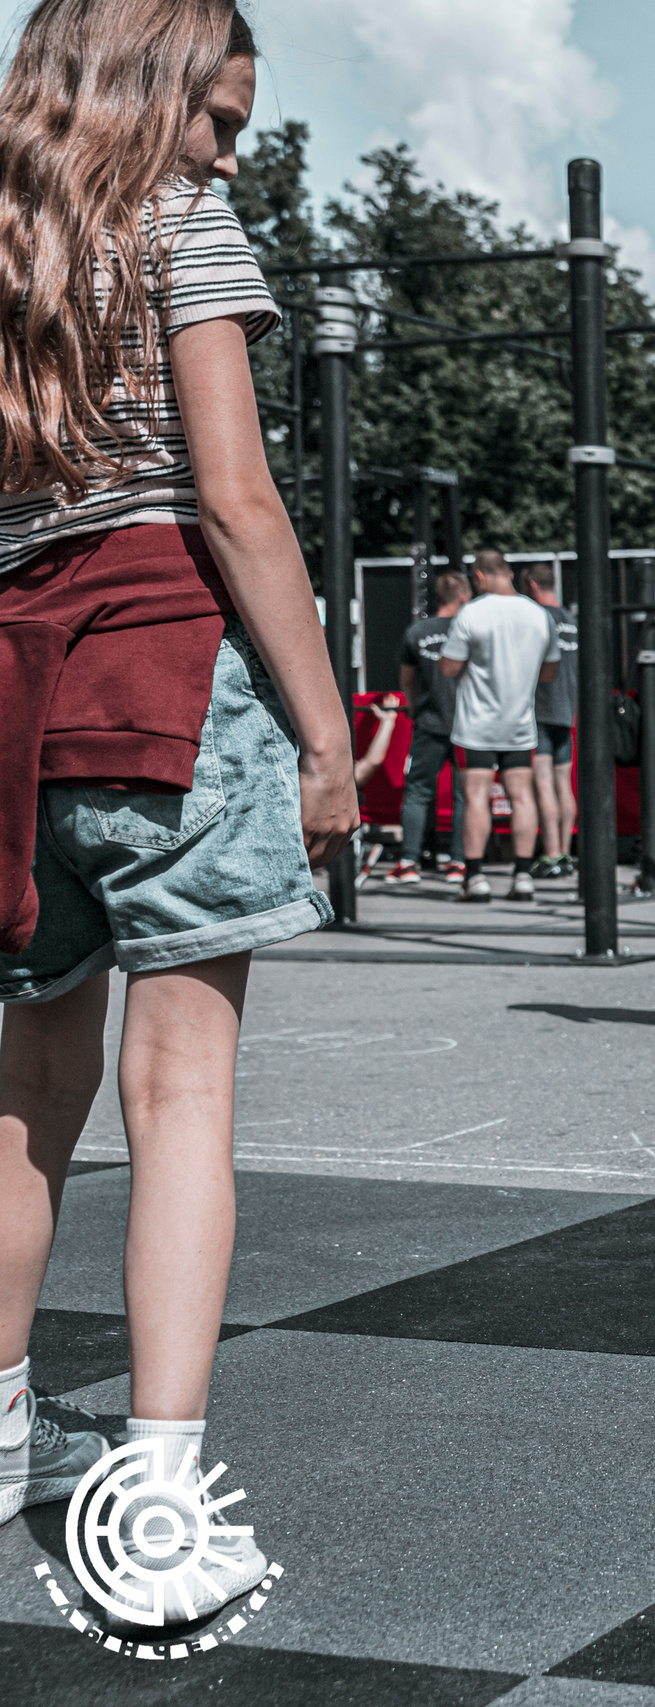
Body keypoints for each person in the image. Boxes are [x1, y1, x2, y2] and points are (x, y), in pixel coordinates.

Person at [0, 1, 357, 1599]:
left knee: (28, 1088)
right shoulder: (180, 224)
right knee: (183, 1093)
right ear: (152, 89)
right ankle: (154, 1514)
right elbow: (237, 499)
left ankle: (2, 1441)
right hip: (167, 667)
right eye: (219, 118)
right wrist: (326, 730)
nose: (226, 155)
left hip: (20, 686)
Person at [440, 548, 556, 901]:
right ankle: (522, 875)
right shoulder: (539, 615)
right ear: (509, 572)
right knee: (522, 796)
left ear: (478, 576)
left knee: (476, 797)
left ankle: (475, 877)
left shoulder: (472, 613)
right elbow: (550, 671)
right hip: (519, 723)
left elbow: (449, 667)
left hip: (476, 725)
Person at [390, 568, 468, 881]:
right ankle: (460, 863)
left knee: (418, 791)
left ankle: (408, 862)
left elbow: (407, 679)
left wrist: (413, 707)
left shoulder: (418, 631)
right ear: (462, 596)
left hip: (430, 721)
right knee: (466, 795)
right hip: (469, 725)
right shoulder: (471, 629)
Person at [524, 558, 578, 880]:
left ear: (532, 586)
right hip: (566, 711)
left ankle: (552, 854)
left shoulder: (537, 618)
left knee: (543, 783)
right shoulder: (571, 619)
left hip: (541, 709)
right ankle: (566, 853)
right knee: (562, 784)